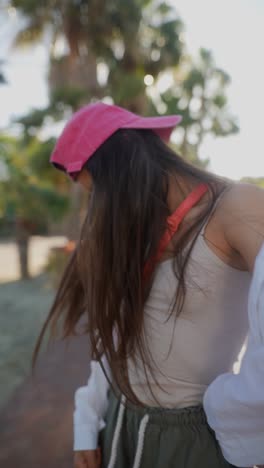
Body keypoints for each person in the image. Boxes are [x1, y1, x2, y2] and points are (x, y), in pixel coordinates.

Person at [33, 101, 264, 468]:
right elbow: (111, 343)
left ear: (125, 163)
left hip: (194, 444)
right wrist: (86, 423)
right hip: (117, 429)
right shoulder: (133, 230)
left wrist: (237, 412)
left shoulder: (236, 206)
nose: (97, 208)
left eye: (98, 193)